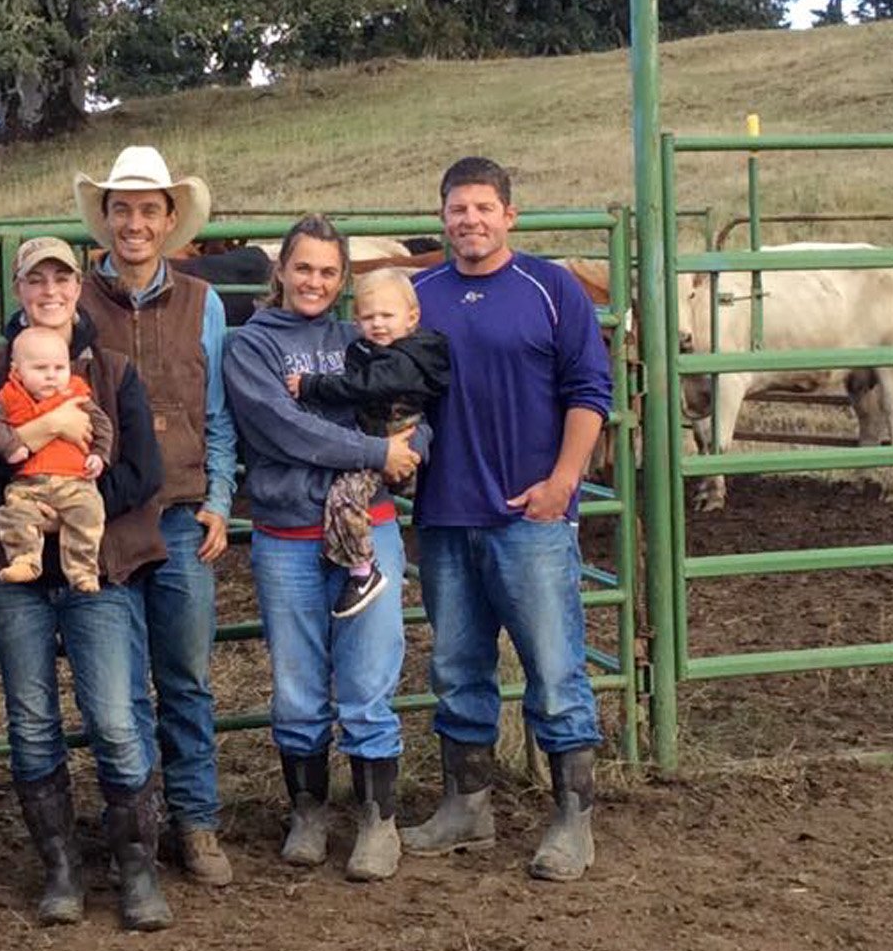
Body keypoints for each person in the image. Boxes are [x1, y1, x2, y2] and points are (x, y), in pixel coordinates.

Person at [0, 236, 173, 931]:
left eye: (62, 279)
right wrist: (43, 431)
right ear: (18, 288)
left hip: (96, 565)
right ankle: (61, 869)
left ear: (80, 287)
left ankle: (136, 868)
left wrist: (78, 489)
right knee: (32, 720)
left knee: (113, 713)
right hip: (11, 566)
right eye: (36, 280)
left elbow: (145, 470)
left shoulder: (113, 370)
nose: (51, 290)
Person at [402, 155, 613, 882]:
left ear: (510, 216)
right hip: (444, 513)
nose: (470, 221)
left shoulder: (550, 289)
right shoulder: (417, 295)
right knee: (458, 666)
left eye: (484, 208)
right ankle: (467, 804)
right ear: (442, 218)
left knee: (554, 669)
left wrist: (563, 482)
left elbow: (590, 390)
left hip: (531, 515)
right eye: (458, 209)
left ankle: (572, 819)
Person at [223, 214, 421, 883]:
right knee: (298, 685)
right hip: (287, 534)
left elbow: (419, 403)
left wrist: (410, 449)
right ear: (280, 271)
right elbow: (282, 429)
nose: (314, 281)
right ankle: (307, 810)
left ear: (343, 280)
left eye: (328, 271)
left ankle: (376, 820)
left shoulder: (360, 335)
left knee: (368, 676)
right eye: (303, 268)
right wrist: (374, 450)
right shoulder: (250, 347)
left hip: (372, 525)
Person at [75, 144, 236, 887]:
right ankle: (139, 827)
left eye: (148, 210)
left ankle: (196, 822)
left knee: (185, 677)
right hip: (103, 520)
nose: (135, 223)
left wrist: (220, 501)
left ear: (171, 220)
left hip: (177, 514)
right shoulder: (72, 301)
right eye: (122, 209)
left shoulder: (206, 304)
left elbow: (219, 414)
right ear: (105, 219)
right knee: (119, 687)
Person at [287, 267, 450, 619]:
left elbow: (362, 386)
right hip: (380, 444)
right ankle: (342, 550)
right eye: (367, 317)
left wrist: (312, 385)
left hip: (397, 448)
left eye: (387, 316)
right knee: (344, 490)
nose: (377, 324)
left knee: (346, 496)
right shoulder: (385, 351)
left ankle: (363, 571)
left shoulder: (405, 359)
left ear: (412, 317)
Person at [0, 325, 113, 591]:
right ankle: (24, 559)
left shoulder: (77, 395)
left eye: (59, 368)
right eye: (41, 369)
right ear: (17, 371)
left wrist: (100, 455)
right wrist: (11, 447)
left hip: (75, 480)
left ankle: (83, 570)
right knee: (14, 512)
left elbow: (103, 426)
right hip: (29, 482)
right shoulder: (10, 397)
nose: (51, 376)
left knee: (89, 513)